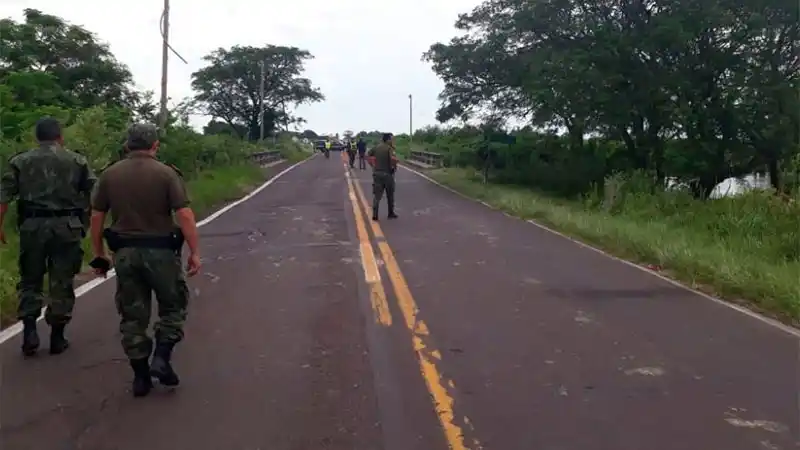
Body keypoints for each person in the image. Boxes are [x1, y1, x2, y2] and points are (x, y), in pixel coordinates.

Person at [90, 123, 201, 398]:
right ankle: (161, 358)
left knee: (132, 315)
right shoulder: (167, 174)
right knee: (172, 306)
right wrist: (194, 251)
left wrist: (99, 253)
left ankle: (140, 377)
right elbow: (184, 214)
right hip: (161, 252)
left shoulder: (109, 174)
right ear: (155, 145)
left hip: (125, 253)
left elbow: (97, 215)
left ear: (127, 145)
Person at [0, 117, 96, 357]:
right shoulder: (77, 161)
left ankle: (30, 331)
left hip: (32, 225)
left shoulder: (20, 161)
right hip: (67, 226)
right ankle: (57, 336)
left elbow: (3, 197)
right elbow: (94, 195)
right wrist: (89, 223)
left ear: (37, 137)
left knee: (30, 278)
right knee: (62, 280)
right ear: (59, 136)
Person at [367, 133, 399, 221]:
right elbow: (392, 159)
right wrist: (395, 164)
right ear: (387, 140)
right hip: (387, 174)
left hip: (377, 174)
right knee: (390, 195)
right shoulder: (389, 148)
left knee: (377, 196)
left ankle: (375, 214)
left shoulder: (376, 147)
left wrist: (372, 165)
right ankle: (390, 213)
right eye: (391, 139)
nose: (392, 140)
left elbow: (368, 155)